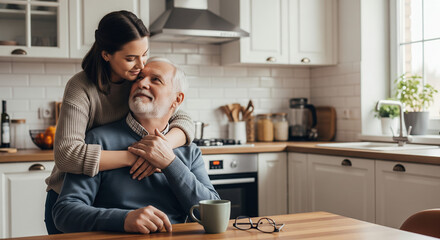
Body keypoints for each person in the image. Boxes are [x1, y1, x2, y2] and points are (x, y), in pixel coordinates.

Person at [44, 11, 194, 234]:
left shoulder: (136, 80)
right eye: (131, 58)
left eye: (144, 54)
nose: (141, 65)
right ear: (106, 55)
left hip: (111, 189)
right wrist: (137, 155)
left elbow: (182, 116)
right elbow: (67, 154)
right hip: (71, 189)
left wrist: (161, 149)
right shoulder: (81, 87)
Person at [52, 57, 219, 234]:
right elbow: (64, 213)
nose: (142, 83)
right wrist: (123, 219)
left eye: (156, 80)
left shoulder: (189, 151)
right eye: (139, 78)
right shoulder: (98, 140)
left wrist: (170, 163)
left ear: (177, 99)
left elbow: (212, 215)